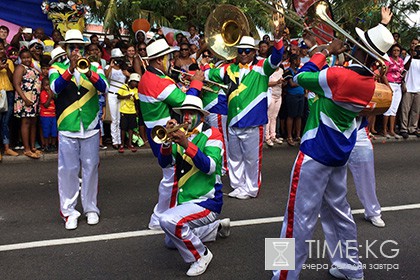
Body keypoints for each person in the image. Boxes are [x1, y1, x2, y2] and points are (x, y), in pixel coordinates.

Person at [272, 7, 394, 280]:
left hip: (314, 154)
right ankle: (351, 268)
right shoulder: (368, 82)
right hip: (338, 156)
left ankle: (282, 274)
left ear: (361, 49)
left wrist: (324, 50)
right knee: (340, 213)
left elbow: (303, 76)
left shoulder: (341, 76)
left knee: (295, 217)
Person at [204, 26, 284, 200]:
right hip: (233, 121)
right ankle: (238, 186)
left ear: (254, 52)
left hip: (253, 123)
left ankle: (251, 188)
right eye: (240, 51)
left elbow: (277, 57)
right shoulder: (228, 69)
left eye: (247, 51)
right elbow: (208, 74)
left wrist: (278, 41)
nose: (244, 54)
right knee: (234, 157)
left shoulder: (262, 67)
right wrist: (196, 74)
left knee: (252, 159)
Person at [158, 95, 230, 277]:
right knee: (169, 241)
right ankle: (216, 228)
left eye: (191, 113)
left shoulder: (213, 134)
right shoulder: (181, 136)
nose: (187, 117)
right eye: (184, 113)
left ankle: (201, 255)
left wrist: (186, 144)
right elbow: (165, 164)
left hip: (208, 201)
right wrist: (166, 142)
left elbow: (211, 167)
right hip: (187, 201)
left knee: (168, 221)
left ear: (202, 117)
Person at [137, 38, 204, 230]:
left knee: (171, 175)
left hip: (157, 131)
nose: (171, 62)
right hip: (164, 133)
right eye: (168, 58)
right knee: (171, 177)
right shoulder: (158, 81)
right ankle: (160, 218)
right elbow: (186, 102)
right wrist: (197, 84)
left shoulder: (149, 77)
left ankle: (168, 214)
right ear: (158, 60)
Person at [49, 29, 109, 230]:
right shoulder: (56, 68)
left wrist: (88, 71)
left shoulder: (96, 66)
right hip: (68, 125)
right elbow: (55, 89)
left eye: (80, 47)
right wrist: (69, 70)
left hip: (90, 125)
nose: (76, 50)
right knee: (68, 170)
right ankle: (69, 211)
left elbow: (103, 87)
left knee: (91, 168)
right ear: (65, 49)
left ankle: (91, 208)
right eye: (72, 47)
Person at [348, 117, 385, 228]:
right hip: (332, 131)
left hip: (358, 131)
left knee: (366, 175)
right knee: (328, 176)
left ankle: (372, 212)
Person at [13, 49, 41, 159]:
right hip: (25, 98)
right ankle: (27, 149)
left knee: (33, 122)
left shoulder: (32, 67)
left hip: (33, 99)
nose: (26, 59)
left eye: (28, 57)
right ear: (20, 58)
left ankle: (33, 147)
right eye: (24, 57)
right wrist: (25, 99)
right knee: (25, 123)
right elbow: (16, 84)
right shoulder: (20, 68)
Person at [105, 48, 130, 149]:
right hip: (112, 94)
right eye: (116, 59)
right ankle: (115, 141)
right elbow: (105, 76)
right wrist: (111, 67)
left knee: (120, 118)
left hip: (122, 95)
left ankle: (121, 141)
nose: (117, 61)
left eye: (119, 58)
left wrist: (126, 72)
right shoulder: (108, 67)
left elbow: (131, 78)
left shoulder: (123, 68)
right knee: (114, 119)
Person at [0, 38, 18, 158]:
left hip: (9, 93)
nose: (0, 50)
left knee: (5, 122)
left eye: (1, 48)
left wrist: (6, 68)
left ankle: (6, 148)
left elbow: (13, 80)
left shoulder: (9, 62)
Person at [283, 54, 305, 146]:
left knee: (299, 116)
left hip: (301, 95)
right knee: (291, 116)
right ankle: (289, 136)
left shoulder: (299, 71)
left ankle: (298, 135)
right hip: (292, 96)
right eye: (298, 60)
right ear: (294, 61)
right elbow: (291, 84)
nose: (299, 62)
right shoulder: (288, 71)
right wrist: (301, 83)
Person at [383, 44, 404, 139]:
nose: (396, 52)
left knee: (394, 109)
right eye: (394, 50)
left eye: (398, 50)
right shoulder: (388, 60)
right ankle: (384, 130)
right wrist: (388, 86)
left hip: (398, 84)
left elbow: (402, 73)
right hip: (390, 83)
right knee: (388, 108)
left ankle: (392, 130)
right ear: (391, 51)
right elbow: (384, 74)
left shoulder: (401, 61)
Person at [399, 43, 420, 138]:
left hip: (418, 89)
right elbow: (405, 69)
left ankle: (412, 128)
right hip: (408, 87)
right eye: (417, 49)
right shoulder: (408, 58)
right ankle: (403, 128)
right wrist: (412, 57)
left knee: (416, 110)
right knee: (405, 110)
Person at [117, 73, 140, 153]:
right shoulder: (124, 87)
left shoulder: (136, 90)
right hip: (124, 110)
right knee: (123, 128)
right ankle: (122, 144)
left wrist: (133, 97)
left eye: (137, 82)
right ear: (130, 81)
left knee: (131, 128)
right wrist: (126, 96)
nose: (135, 84)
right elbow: (118, 96)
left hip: (132, 111)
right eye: (134, 82)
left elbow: (137, 101)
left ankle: (130, 143)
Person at [265, 66, 284, 146]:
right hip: (271, 95)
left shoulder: (281, 70)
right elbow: (266, 83)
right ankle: (267, 137)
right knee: (268, 117)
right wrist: (276, 82)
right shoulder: (268, 70)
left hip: (279, 95)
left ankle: (273, 135)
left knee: (274, 117)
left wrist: (283, 82)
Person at [39, 78, 57, 152]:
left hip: (53, 115)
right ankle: (46, 145)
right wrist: (49, 97)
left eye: (49, 85)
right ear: (43, 86)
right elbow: (46, 105)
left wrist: (53, 96)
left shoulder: (53, 93)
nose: (48, 87)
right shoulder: (43, 93)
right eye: (46, 85)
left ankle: (53, 145)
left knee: (54, 131)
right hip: (45, 115)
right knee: (46, 131)